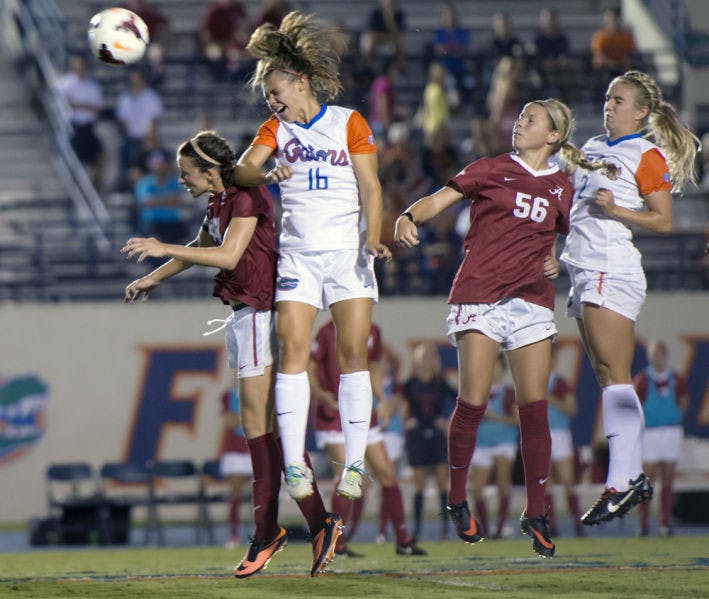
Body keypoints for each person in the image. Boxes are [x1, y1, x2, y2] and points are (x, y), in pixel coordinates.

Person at [121, 130, 343, 578]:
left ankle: (276, 531)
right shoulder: (218, 201)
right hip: (243, 315)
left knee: (260, 429)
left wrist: (163, 246)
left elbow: (227, 255)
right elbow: (202, 248)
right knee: (261, 430)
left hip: (260, 313)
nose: (183, 181)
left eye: (187, 174)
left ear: (209, 171)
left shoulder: (248, 196)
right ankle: (310, 524)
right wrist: (155, 278)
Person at [395, 98, 579, 558]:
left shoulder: (562, 187)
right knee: (473, 401)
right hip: (479, 293)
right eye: (521, 117)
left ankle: (536, 511)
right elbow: (440, 198)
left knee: (533, 408)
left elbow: (574, 238)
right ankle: (457, 497)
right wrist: (408, 216)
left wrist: (560, 257)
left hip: (531, 299)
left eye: (531, 119)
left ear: (554, 135)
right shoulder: (491, 167)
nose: (521, 122)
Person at [239, 11, 392, 504]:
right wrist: (266, 177)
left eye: (276, 91)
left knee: (352, 357)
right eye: (268, 97)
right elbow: (241, 173)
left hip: (347, 253)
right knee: (293, 353)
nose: (272, 101)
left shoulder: (350, 122)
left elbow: (371, 185)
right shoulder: (272, 130)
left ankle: (352, 464)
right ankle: (295, 466)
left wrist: (373, 235)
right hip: (299, 257)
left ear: (299, 81)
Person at [559, 70, 699, 526]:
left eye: (619, 100)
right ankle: (628, 477)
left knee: (616, 375)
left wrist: (616, 209)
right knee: (606, 374)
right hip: (581, 268)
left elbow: (664, 221)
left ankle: (624, 481)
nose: (609, 105)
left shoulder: (646, 152)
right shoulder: (593, 149)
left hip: (610, 266)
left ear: (641, 111)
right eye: (607, 98)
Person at [309, 320, 426, 556]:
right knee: (348, 475)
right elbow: (310, 365)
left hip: (362, 414)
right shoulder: (327, 331)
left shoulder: (373, 329)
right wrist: (321, 395)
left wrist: (381, 399)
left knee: (386, 474)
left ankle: (402, 539)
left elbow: (374, 365)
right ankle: (336, 544)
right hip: (333, 414)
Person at [401, 341, 456, 541]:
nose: (425, 360)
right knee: (419, 486)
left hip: (437, 435)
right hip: (418, 437)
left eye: (430, 356)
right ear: (416, 359)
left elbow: (461, 400)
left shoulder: (440, 383)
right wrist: (407, 422)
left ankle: (444, 528)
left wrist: (447, 421)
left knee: (443, 483)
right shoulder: (410, 384)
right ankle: (416, 529)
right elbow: (402, 406)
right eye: (422, 356)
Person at [634, 339, 689, 536]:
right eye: (653, 354)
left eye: (659, 354)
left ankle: (664, 521)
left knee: (668, 478)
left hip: (671, 431)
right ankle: (643, 522)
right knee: (647, 479)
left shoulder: (676, 378)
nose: (656, 358)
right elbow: (636, 404)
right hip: (650, 432)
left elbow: (684, 401)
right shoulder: (642, 378)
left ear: (665, 355)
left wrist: (673, 415)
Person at [469, 353, 518, 539]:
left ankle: (500, 525)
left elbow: (517, 421)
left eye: (496, 365)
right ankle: (485, 526)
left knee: (503, 484)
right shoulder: (477, 391)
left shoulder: (508, 393)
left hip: (503, 442)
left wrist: (492, 416)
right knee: (476, 488)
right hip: (481, 442)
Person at [544, 347, 584, 537]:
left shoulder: (559, 383)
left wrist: (551, 400)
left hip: (559, 434)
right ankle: (552, 524)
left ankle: (577, 522)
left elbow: (572, 408)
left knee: (568, 480)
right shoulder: (534, 382)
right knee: (546, 482)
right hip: (541, 434)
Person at [57, 54, 106, 192]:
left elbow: (97, 108)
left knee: (102, 155)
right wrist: (85, 106)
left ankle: (96, 186)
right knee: (74, 159)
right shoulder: (64, 84)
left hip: (88, 128)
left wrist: (78, 105)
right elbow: (65, 104)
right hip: (72, 128)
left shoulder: (92, 86)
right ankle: (74, 188)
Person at [115, 70, 163, 192]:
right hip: (131, 139)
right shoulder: (125, 99)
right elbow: (123, 121)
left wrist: (149, 138)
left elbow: (155, 120)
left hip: (148, 139)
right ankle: (128, 187)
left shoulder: (152, 98)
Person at [133, 148, 191, 246]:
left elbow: (179, 199)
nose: (158, 166)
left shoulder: (175, 181)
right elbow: (146, 202)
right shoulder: (144, 182)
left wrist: (157, 201)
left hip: (173, 223)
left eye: (161, 163)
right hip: (153, 224)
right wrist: (169, 200)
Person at [218, 387, 253, 548]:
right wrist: (252, 416)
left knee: (264, 492)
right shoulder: (229, 395)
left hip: (257, 446)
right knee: (235, 494)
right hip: (236, 449)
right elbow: (229, 421)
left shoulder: (264, 388)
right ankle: (233, 535)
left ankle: (264, 532)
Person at [590, 7, 636, 94]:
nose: (612, 22)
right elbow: (599, 55)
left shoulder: (625, 36)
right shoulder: (600, 36)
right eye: (610, 19)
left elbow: (629, 54)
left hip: (621, 67)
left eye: (615, 19)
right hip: (604, 69)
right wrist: (612, 63)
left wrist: (624, 64)